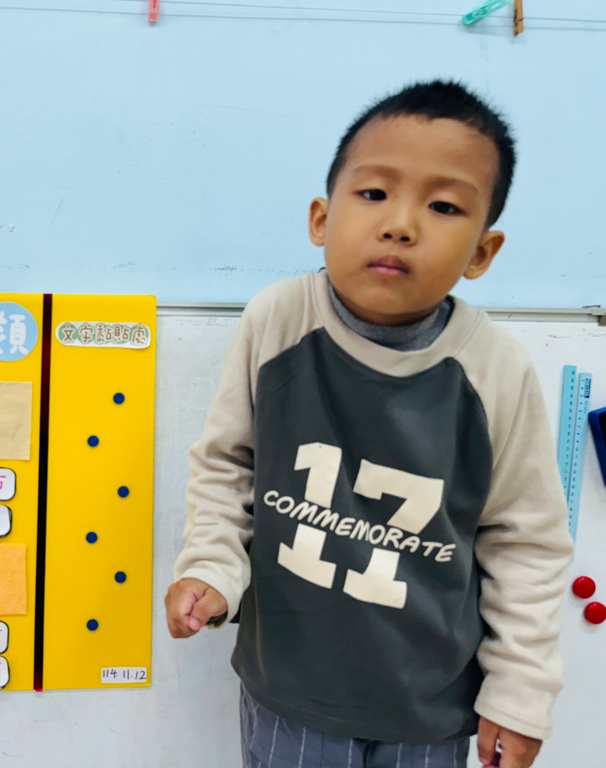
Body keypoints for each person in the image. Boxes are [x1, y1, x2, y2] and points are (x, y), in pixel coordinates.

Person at [165, 80, 572, 768]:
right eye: (375, 193)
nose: (400, 224)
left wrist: (521, 692)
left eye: (444, 206)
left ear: (482, 252)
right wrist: (211, 566)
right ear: (321, 219)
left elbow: (526, 543)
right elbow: (228, 465)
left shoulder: (497, 370)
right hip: (288, 690)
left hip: (429, 706)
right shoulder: (277, 320)